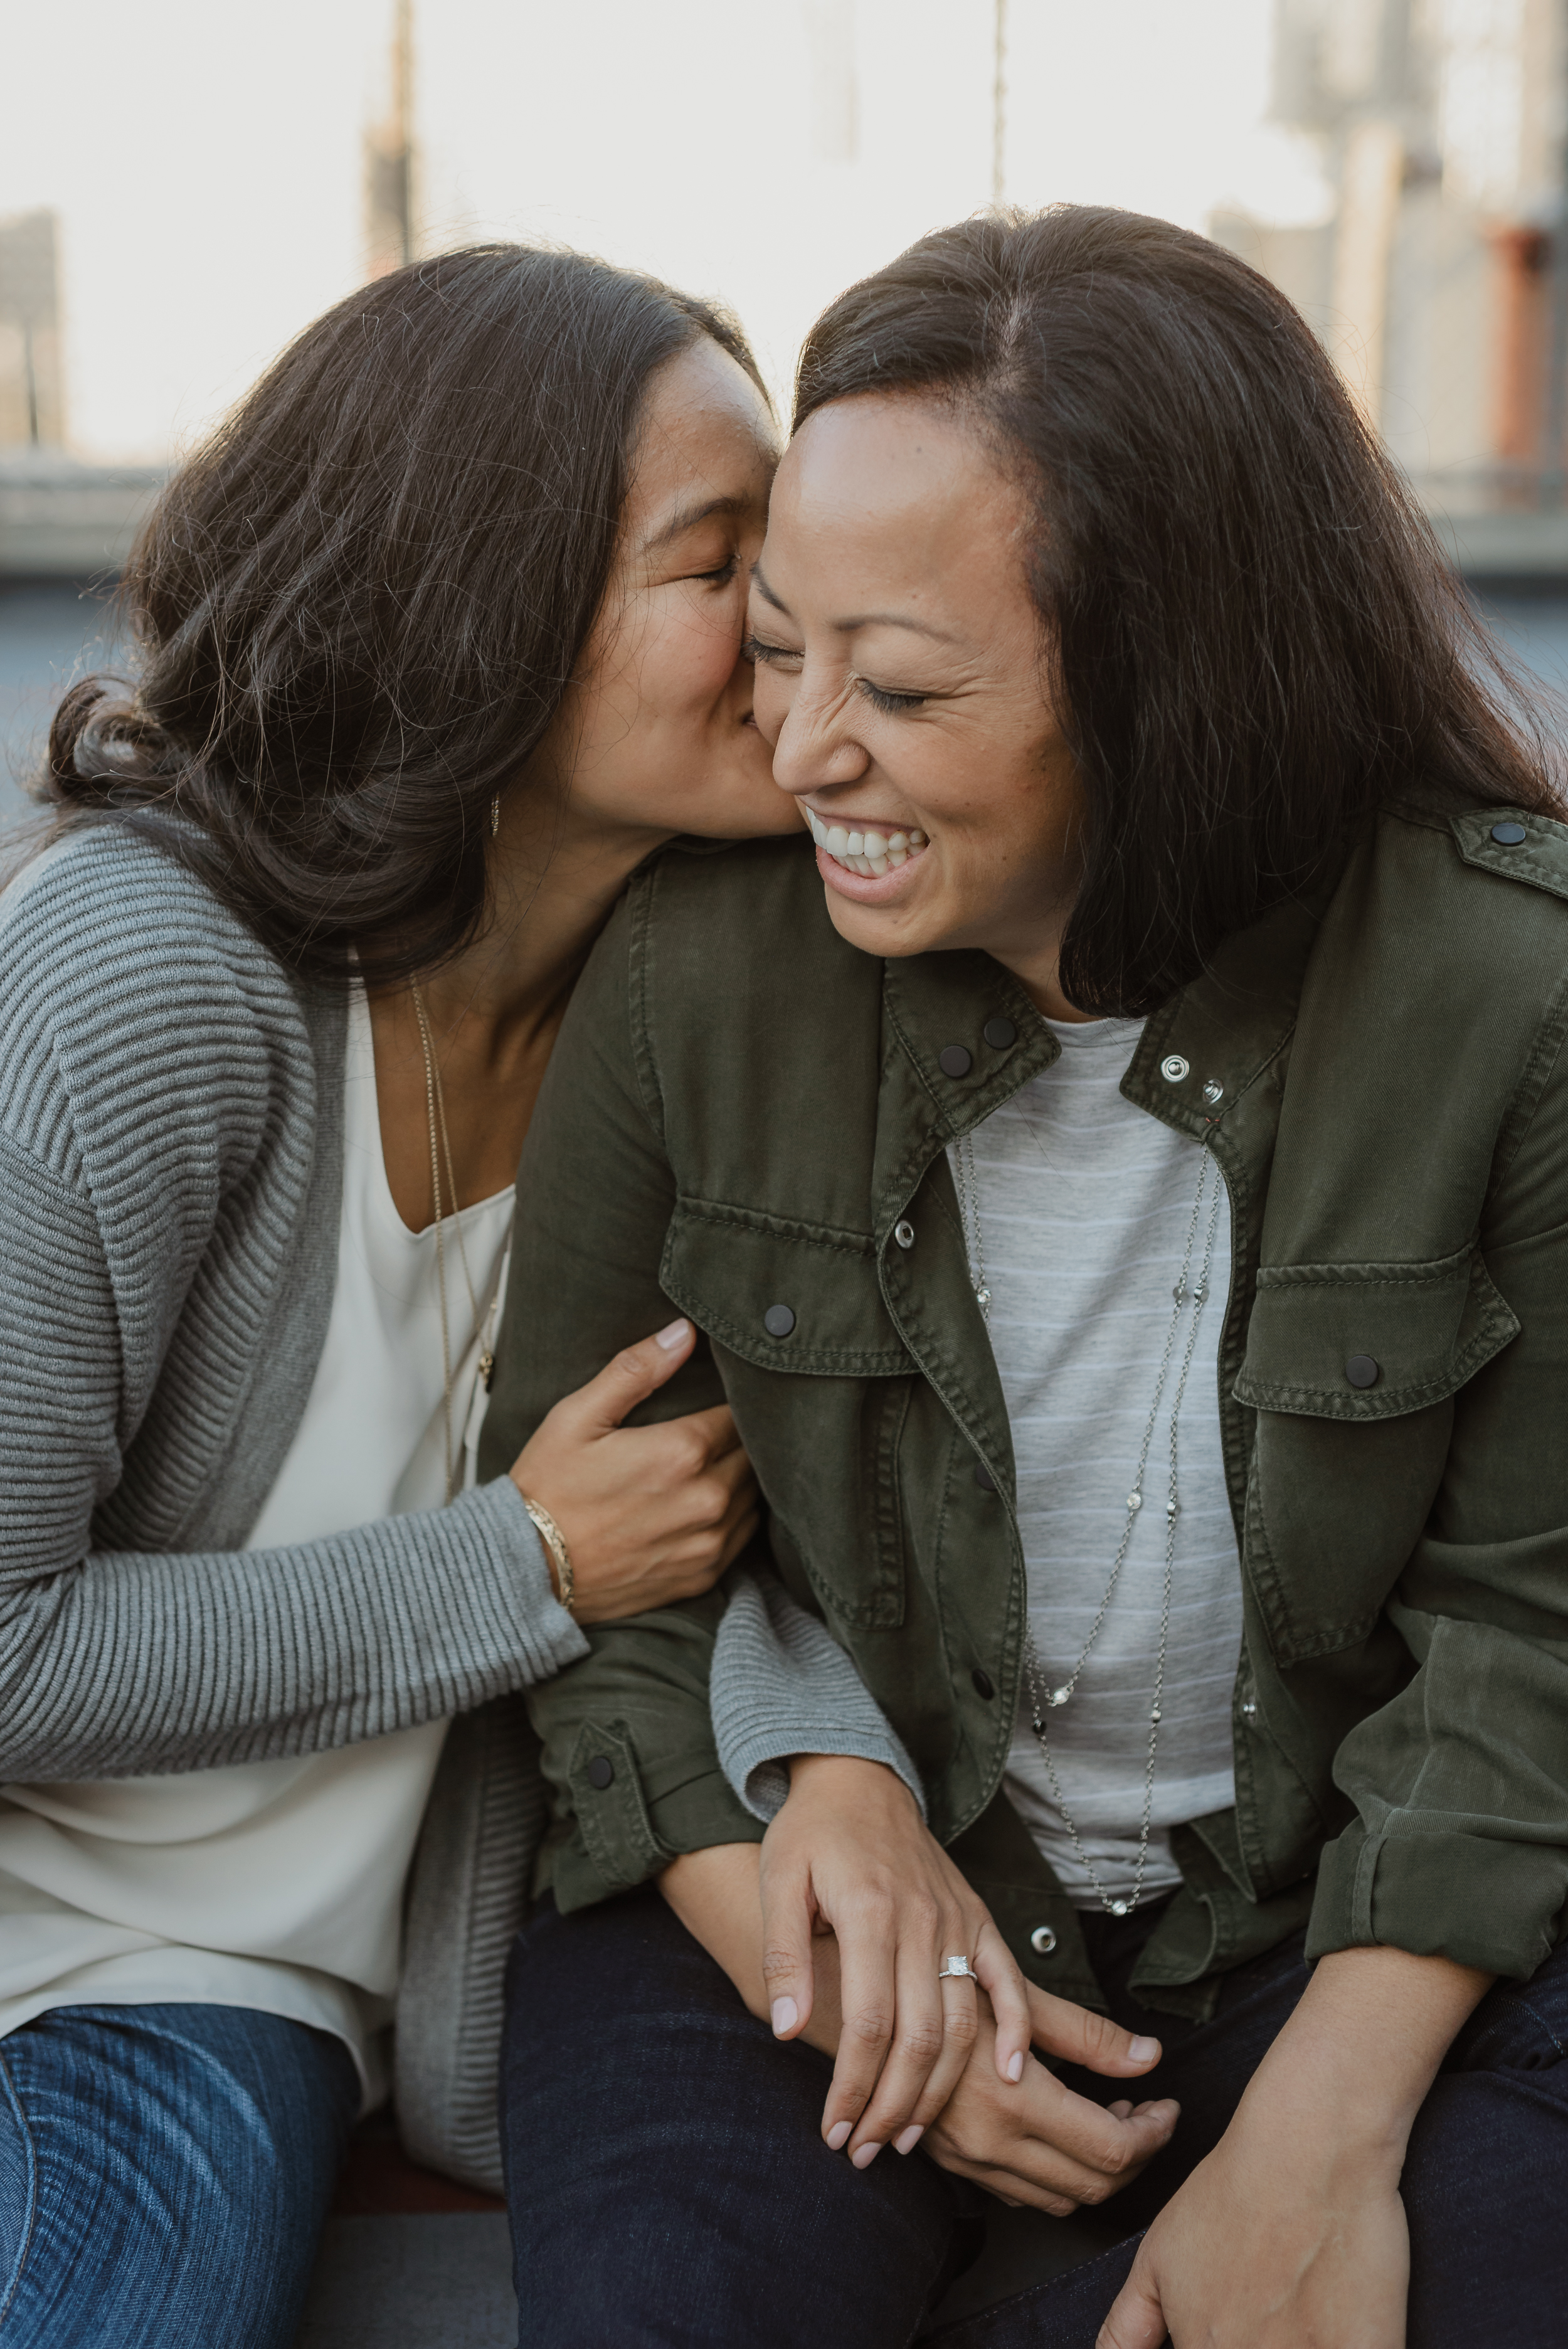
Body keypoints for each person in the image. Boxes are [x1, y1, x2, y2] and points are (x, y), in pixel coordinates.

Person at [485, 206, 1568, 2348]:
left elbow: (1527, 1629)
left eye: (897, 685)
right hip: (806, 1894)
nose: (800, 753)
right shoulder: (692, 971)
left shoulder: (1504, 992)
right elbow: (595, 1580)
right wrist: (814, 1938)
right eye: (782, 644)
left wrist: (1324, 2129)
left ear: (1177, 687)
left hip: (1345, 1918)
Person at [0, 240, 831, 2349]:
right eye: (711, 561)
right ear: (484, 601)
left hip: (246, 1996)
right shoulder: (141, 978)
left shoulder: (717, 1007)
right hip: (60, 1954)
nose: (788, 624)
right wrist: (523, 1560)